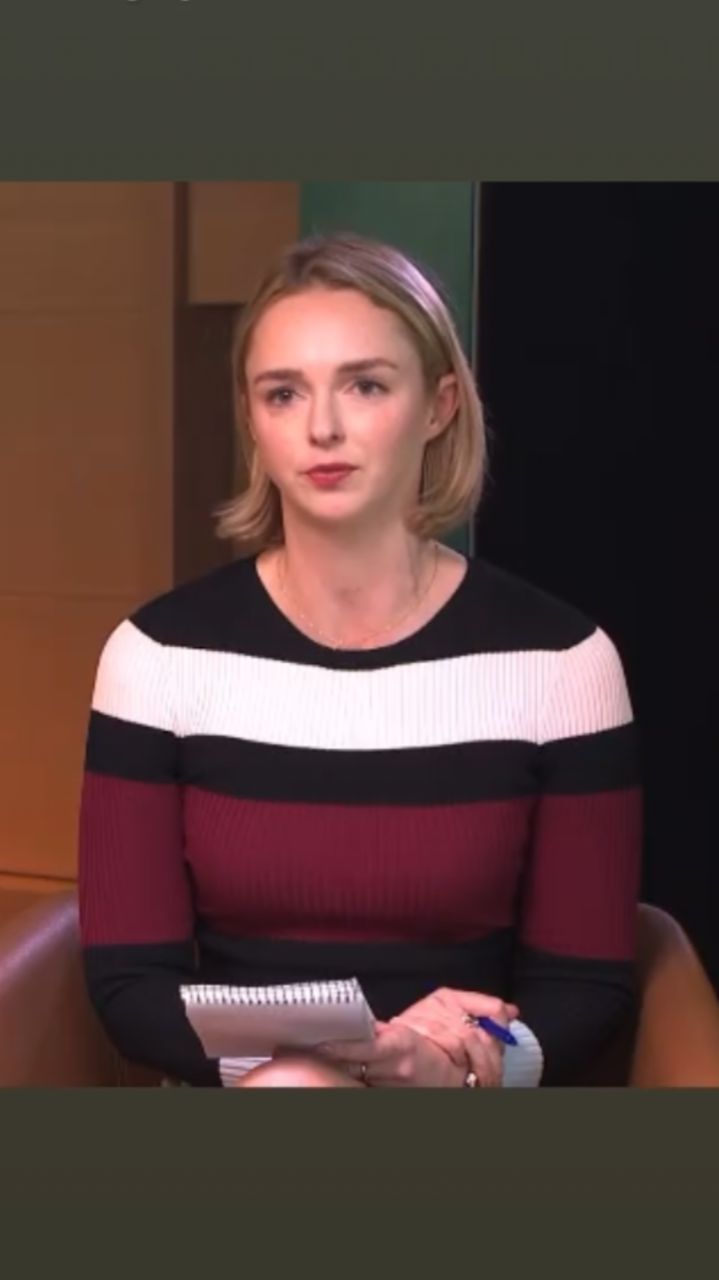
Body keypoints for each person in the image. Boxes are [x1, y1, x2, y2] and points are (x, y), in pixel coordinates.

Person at [77, 232, 642, 1089]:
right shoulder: (156, 657)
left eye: (365, 385)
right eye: (282, 393)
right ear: (252, 420)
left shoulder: (563, 660)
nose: (322, 428)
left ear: (439, 406)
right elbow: (131, 989)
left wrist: (453, 1064)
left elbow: (585, 990)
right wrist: (341, 1055)